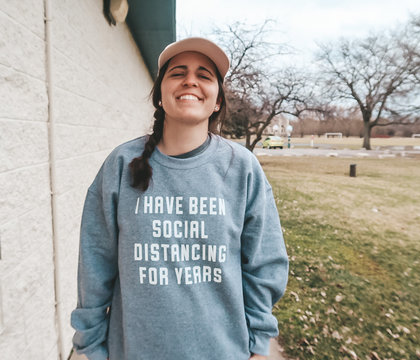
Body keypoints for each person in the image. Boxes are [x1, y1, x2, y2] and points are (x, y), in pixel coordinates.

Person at [70, 37, 289, 360]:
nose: (190, 80)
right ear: (159, 95)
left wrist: (258, 344)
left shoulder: (241, 168)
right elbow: (95, 261)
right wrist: (90, 345)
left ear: (217, 101)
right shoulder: (121, 164)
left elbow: (264, 264)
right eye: (178, 73)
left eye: (204, 75)